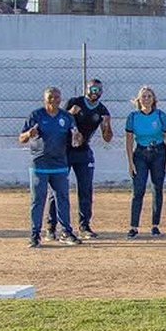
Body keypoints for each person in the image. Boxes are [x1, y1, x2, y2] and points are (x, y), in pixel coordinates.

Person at [47, 78, 113, 240]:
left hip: (83, 152)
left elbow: (107, 138)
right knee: (57, 189)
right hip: (64, 151)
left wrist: (107, 125)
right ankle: (51, 226)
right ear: (86, 89)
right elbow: (58, 123)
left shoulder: (102, 110)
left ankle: (84, 226)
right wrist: (70, 114)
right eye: (92, 89)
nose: (94, 92)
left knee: (85, 189)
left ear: (102, 92)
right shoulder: (74, 102)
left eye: (98, 90)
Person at [20, 86, 84, 248]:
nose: (54, 100)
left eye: (57, 97)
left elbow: (77, 138)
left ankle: (66, 232)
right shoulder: (36, 115)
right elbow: (22, 138)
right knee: (38, 200)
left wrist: (77, 138)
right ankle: (35, 235)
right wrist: (29, 134)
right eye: (50, 97)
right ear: (44, 99)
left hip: (60, 164)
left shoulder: (66, 117)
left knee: (62, 198)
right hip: (39, 164)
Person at [124, 86, 166, 239]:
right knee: (138, 189)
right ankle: (133, 226)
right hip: (140, 154)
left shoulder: (160, 116)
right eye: (143, 96)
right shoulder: (132, 117)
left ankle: (155, 225)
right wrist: (130, 162)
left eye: (149, 96)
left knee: (157, 189)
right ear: (139, 100)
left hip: (158, 153)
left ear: (154, 99)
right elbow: (129, 140)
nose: (146, 99)